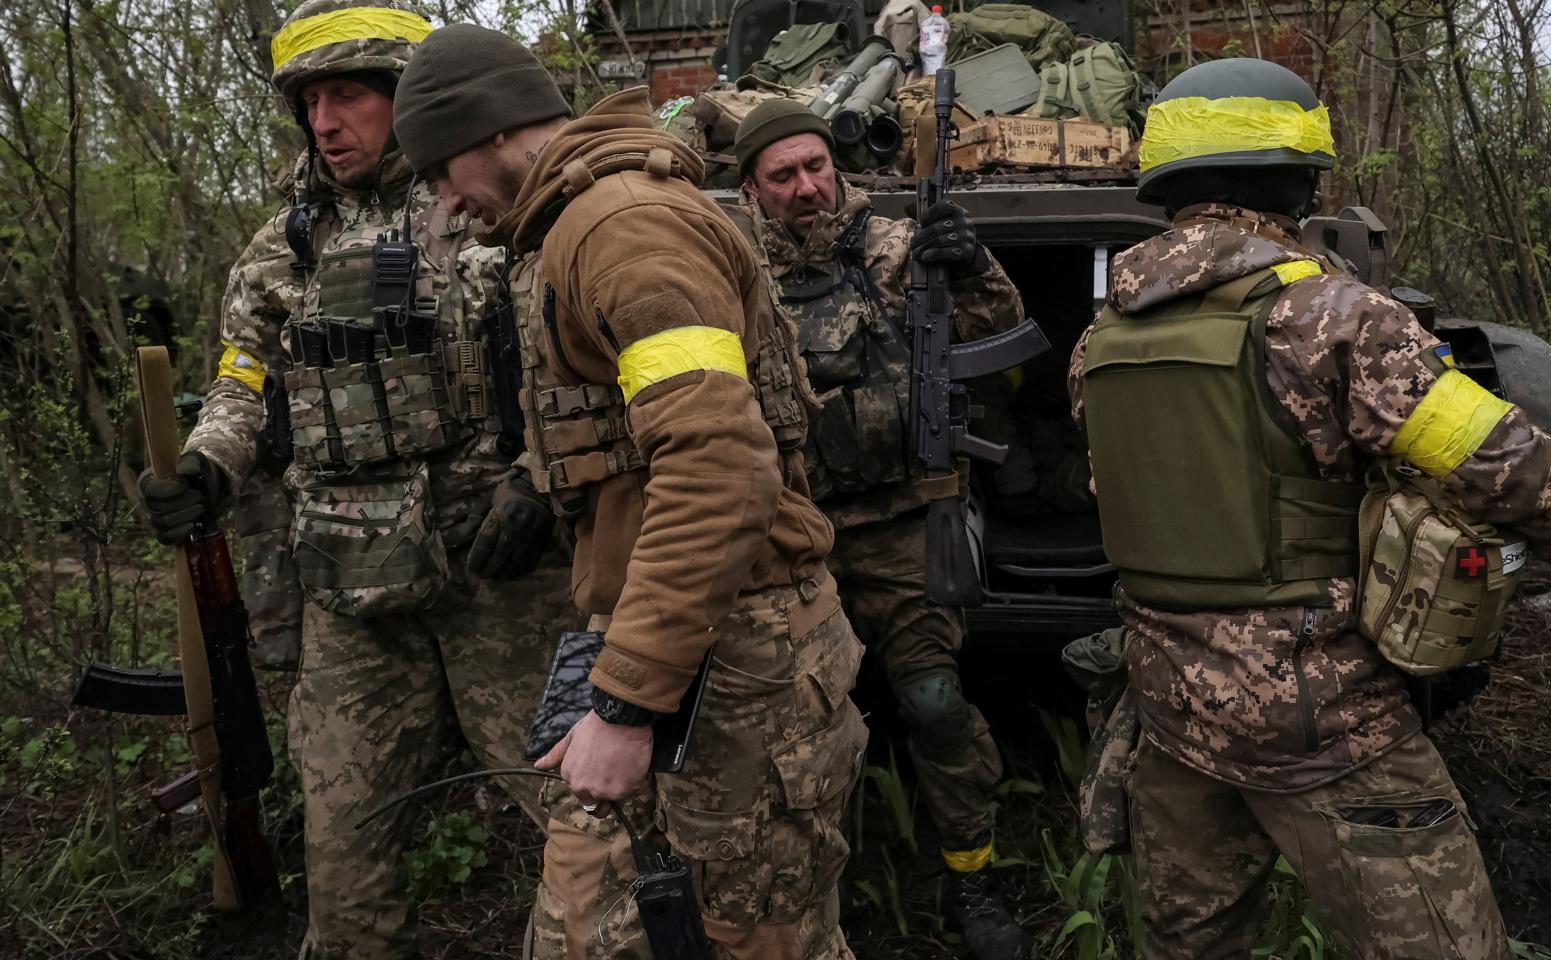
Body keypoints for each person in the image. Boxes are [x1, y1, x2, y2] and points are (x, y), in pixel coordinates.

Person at [1069, 57, 1551, 959]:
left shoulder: (1100, 341)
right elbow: (1513, 469)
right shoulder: (1333, 318)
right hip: (1326, 721)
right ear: (1296, 179)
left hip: (1168, 710)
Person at [391, 25, 869, 960]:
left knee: (759, 940)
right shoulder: (588, 221)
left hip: (734, 663)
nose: (447, 198)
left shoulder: (619, 228)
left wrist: (624, 703)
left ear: (490, 133)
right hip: (666, 647)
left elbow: (717, 463)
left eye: (442, 168)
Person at [136, 3, 577, 956]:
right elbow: (244, 377)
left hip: (502, 575)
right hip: (353, 584)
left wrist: (542, 479)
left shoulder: (489, 201)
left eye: (347, 96)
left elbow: (570, 358)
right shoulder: (281, 245)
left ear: (404, 95)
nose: (325, 123)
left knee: (587, 824)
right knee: (344, 856)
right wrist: (211, 463)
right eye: (308, 103)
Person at [728, 98, 1027, 960]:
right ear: (751, 188)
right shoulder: (731, 265)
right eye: (783, 176)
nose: (807, 188)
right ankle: (813, 893)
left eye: (817, 167)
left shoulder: (894, 248)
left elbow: (1000, 330)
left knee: (935, 705)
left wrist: (970, 266)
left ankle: (974, 877)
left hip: (903, 522)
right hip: (791, 533)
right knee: (792, 727)